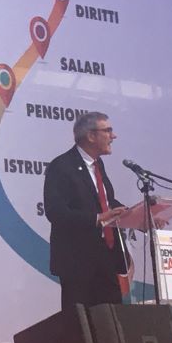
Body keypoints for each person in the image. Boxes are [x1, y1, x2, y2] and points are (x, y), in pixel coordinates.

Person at [43, 111, 129, 310]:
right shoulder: (62, 166)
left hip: (106, 257)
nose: (113, 136)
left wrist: (137, 217)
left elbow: (106, 201)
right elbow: (55, 212)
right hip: (77, 261)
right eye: (108, 130)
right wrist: (97, 218)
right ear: (91, 136)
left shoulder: (98, 165)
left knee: (112, 321)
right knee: (80, 324)